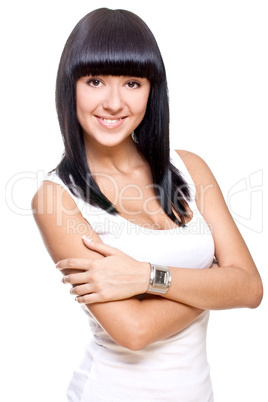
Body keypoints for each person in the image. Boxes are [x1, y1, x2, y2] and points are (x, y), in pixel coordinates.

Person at [32, 7, 263, 402]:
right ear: (69, 87)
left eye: (133, 83)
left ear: (152, 89)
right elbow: (133, 332)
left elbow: (251, 288)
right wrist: (213, 282)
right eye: (95, 81)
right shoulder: (56, 198)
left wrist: (145, 277)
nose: (114, 102)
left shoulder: (190, 169)